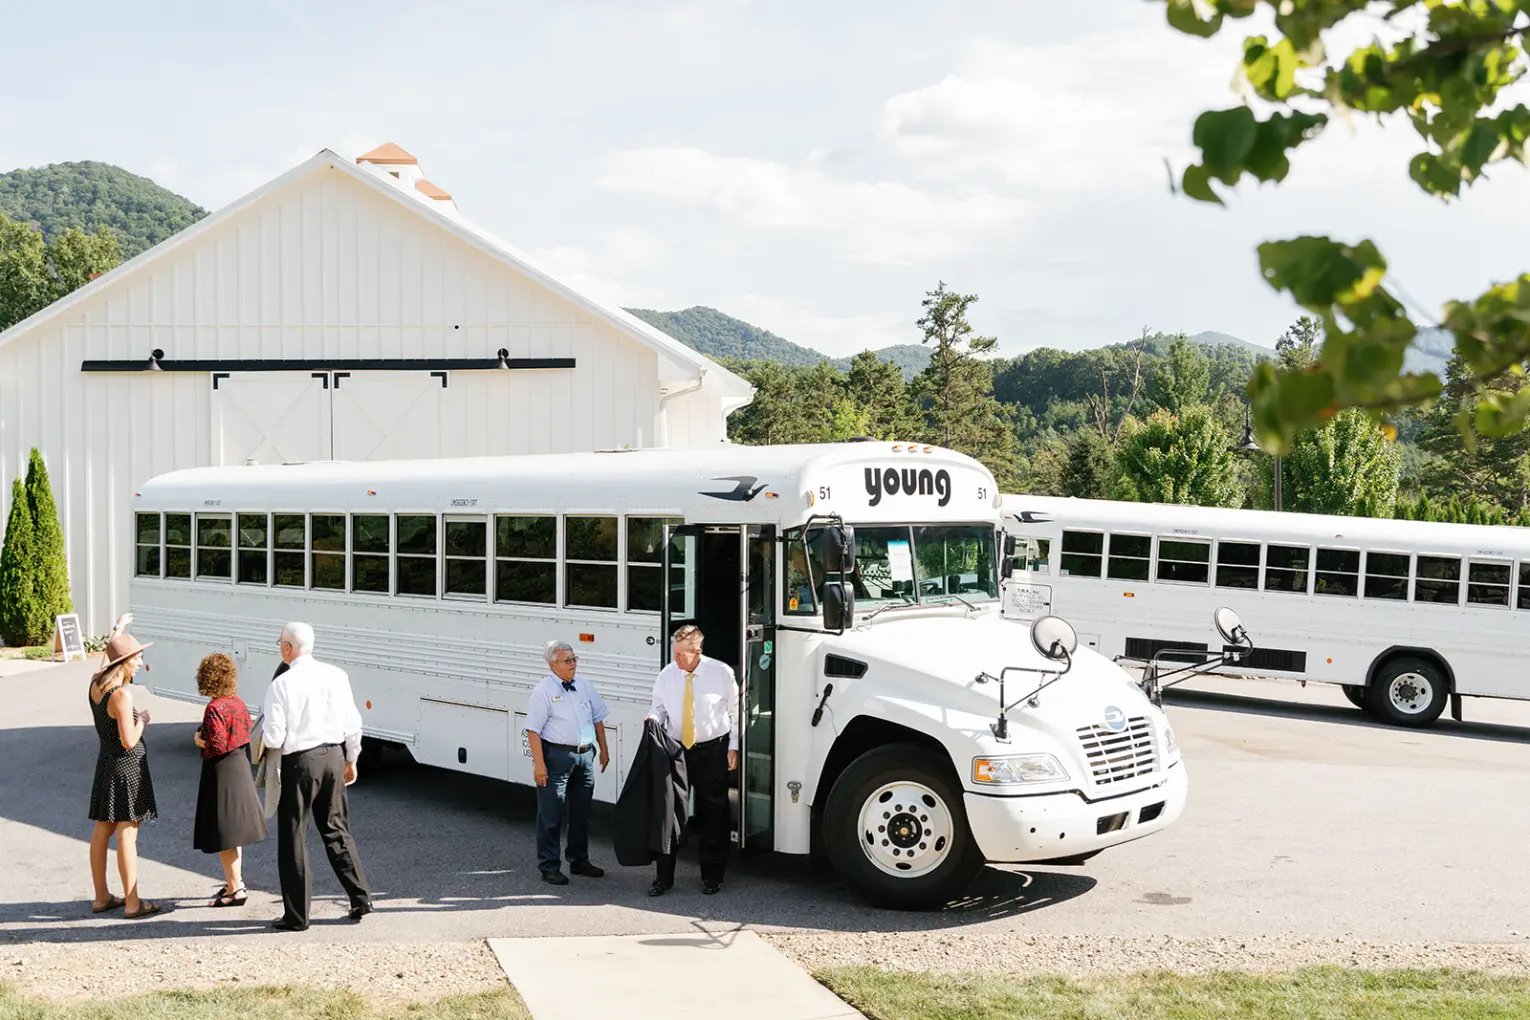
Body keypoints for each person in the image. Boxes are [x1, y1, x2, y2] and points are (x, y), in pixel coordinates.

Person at [261, 622, 372, 931]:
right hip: (334, 755)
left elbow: (273, 738)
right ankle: (360, 897)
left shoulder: (280, 685)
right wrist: (352, 758)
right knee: (337, 829)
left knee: (294, 836)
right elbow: (353, 722)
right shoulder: (337, 675)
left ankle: (297, 915)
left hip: (299, 762)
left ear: (286, 648)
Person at [646, 623, 738, 896]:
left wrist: (733, 746)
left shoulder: (720, 672)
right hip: (676, 750)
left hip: (712, 750)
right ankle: (663, 877)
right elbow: (658, 706)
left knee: (714, 812)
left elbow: (736, 710)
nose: (675, 660)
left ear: (697, 651)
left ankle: (712, 875)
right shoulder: (668, 674)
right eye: (674, 654)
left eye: (680, 655)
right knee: (670, 812)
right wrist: (653, 720)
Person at [86, 624, 161, 918]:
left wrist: (117, 630)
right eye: (137, 658)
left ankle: (101, 897)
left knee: (103, 828)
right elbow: (129, 741)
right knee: (127, 833)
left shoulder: (96, 684)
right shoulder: (121, 696)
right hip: (126, 768)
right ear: (123, 662)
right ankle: (132, 903)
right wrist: (141, 719)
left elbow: (104, 662)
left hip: (106, 762)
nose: (140, 663)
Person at [524, 640, 610, 884]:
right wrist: (539, 764)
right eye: (567, 660)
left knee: (582, 813)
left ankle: (579, 860)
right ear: (553, 664)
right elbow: (533, 730)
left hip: (585, 754)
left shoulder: (584, 685)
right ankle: (549, 865)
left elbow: (598, 718)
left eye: (574, 659)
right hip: (556, 757)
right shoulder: (543, 691)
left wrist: (603, 748)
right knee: (551, 813)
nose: (573, 664)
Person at [191, 653, 269, 907]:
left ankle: (235, 888)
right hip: (240, 766)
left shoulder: (214, 708)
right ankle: (235, 881)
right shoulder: (238, 702)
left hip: (222, 770)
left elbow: (215, 745)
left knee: (225, 833)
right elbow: (244, 730)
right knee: (233, 831)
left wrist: (198, 740)